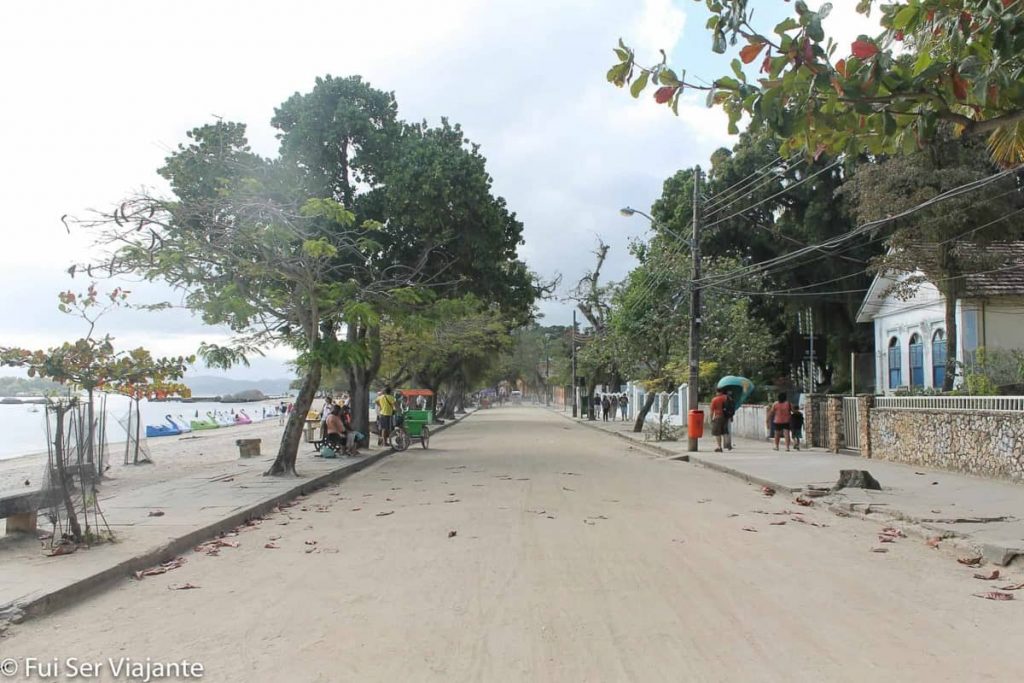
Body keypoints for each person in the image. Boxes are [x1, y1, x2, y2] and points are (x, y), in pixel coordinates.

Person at [710, 387, 729, 453]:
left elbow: (712, 411)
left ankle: (719, 447)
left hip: (718, 417)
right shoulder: (727, 398)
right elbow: (731, 407)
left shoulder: (715, 399)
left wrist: (711, 419)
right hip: (726, 417)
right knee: (725, 431)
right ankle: (728, 445)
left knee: (717, 433)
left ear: (717, 392)